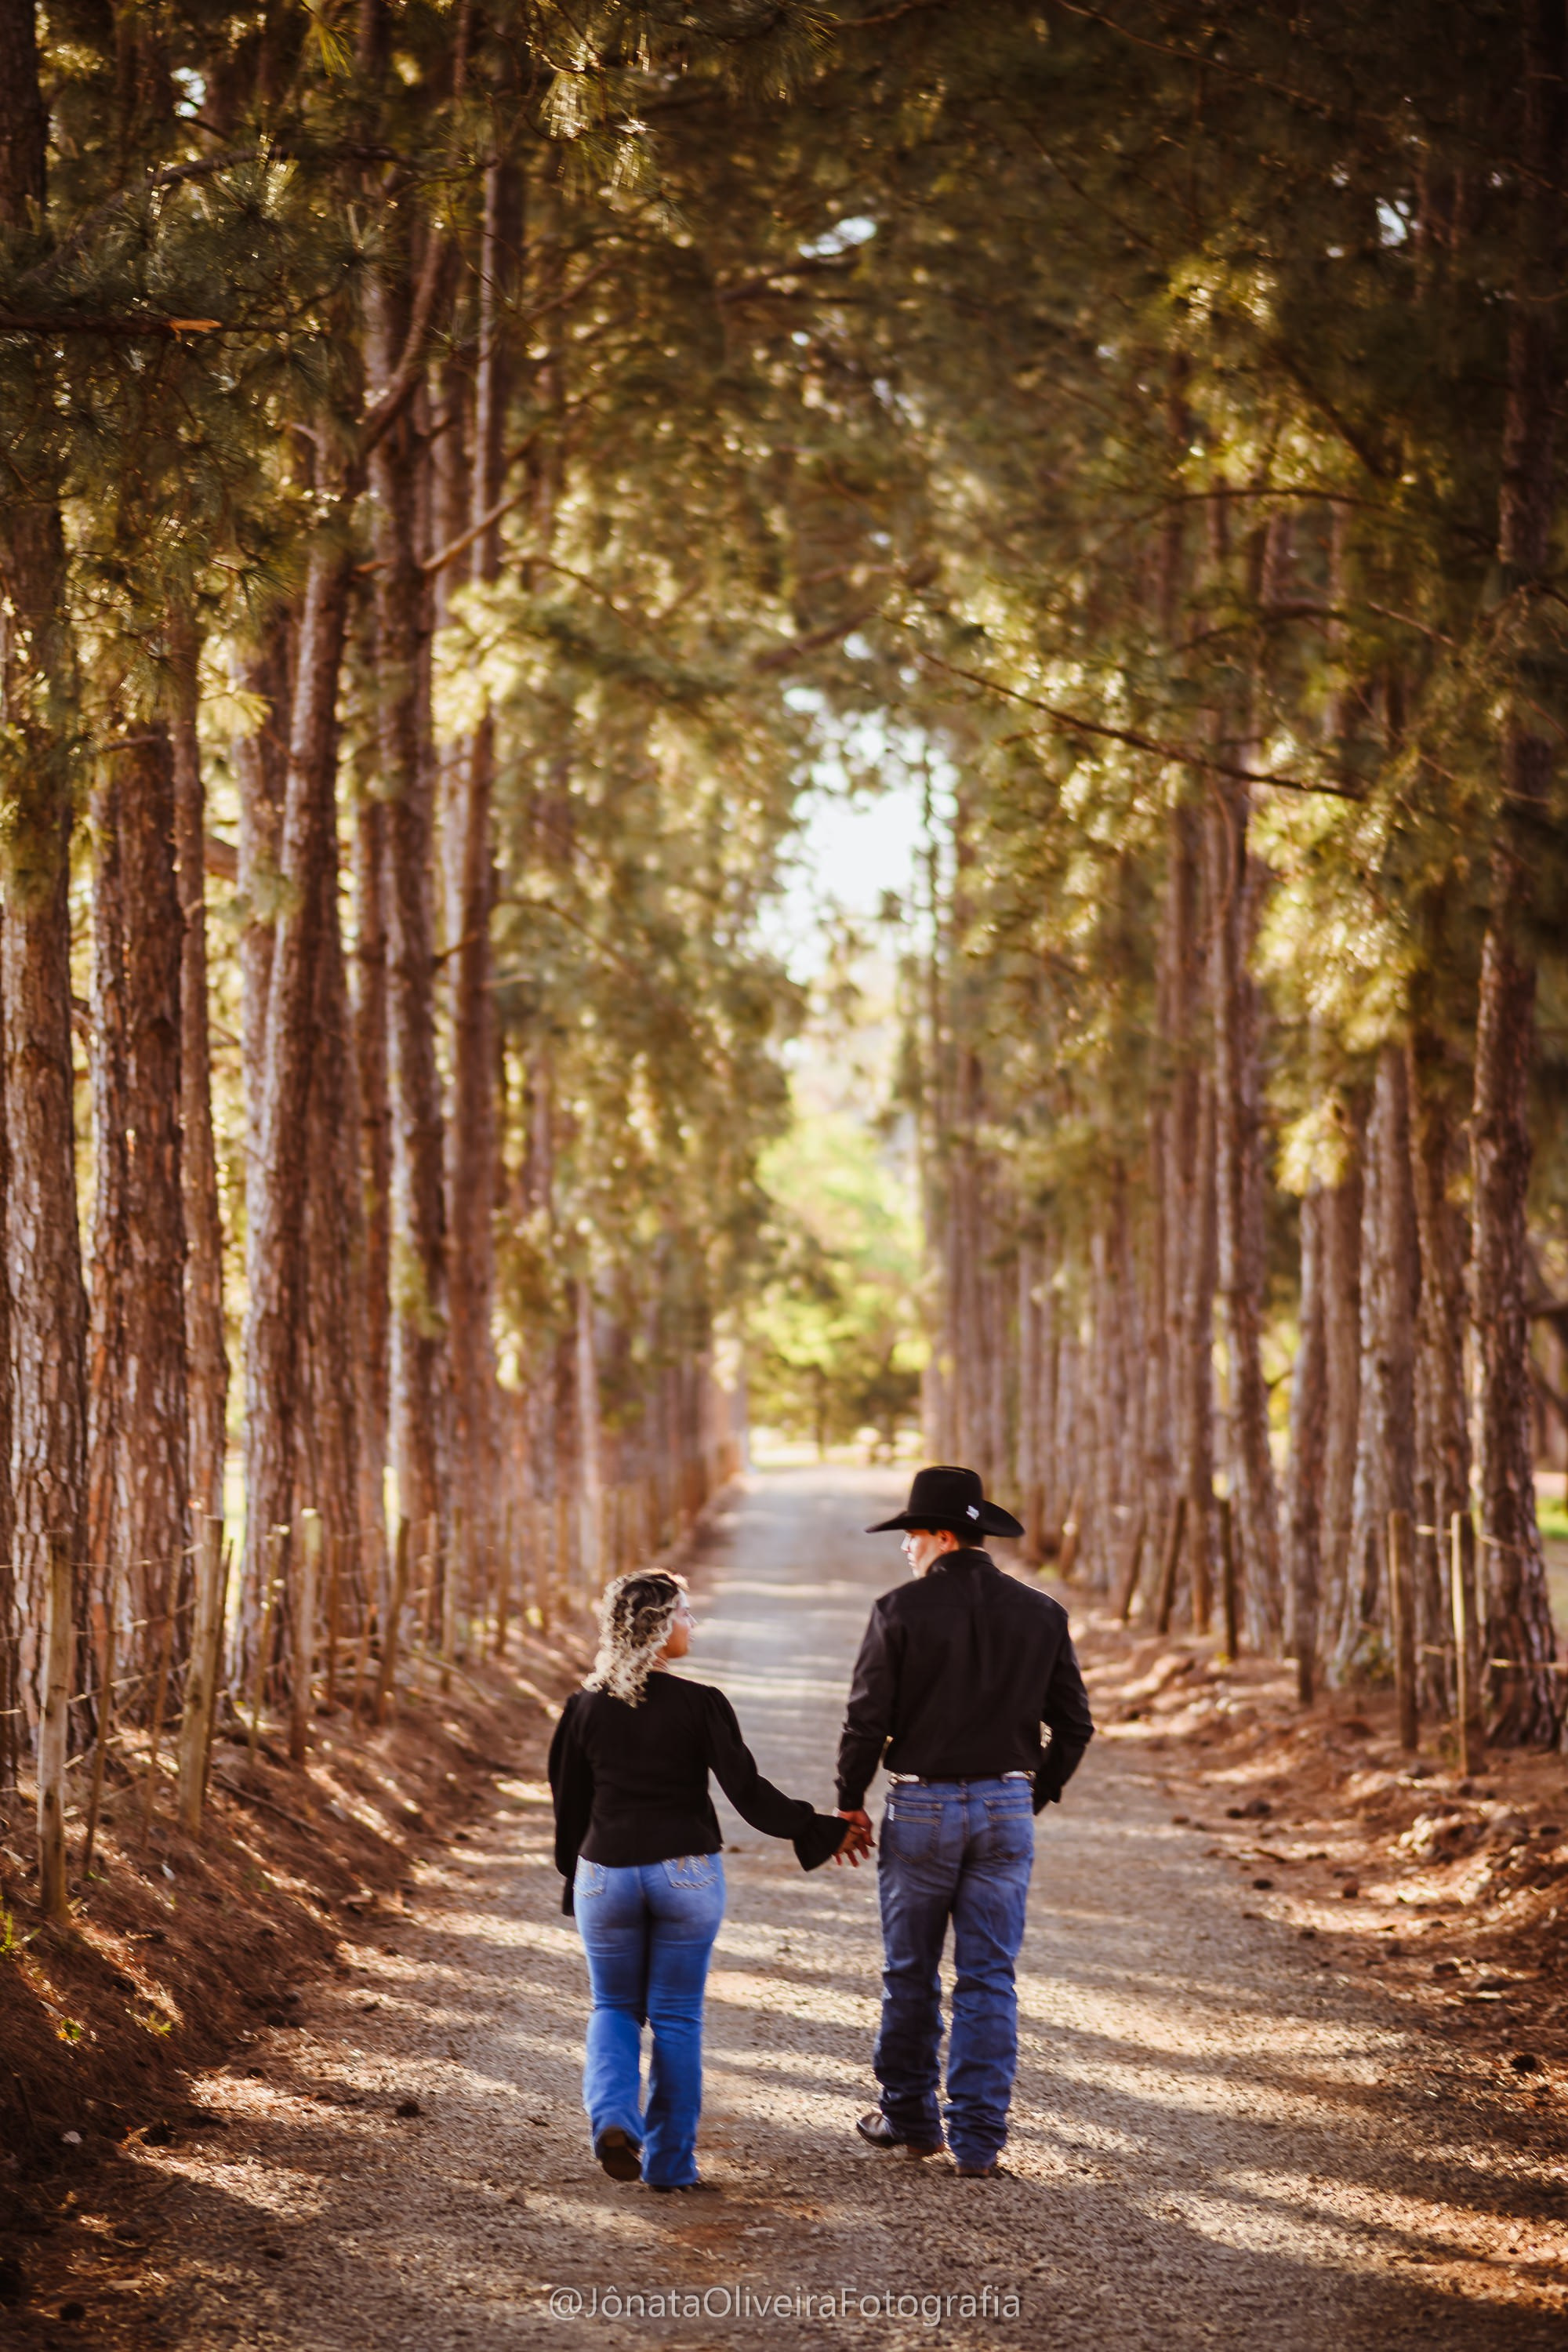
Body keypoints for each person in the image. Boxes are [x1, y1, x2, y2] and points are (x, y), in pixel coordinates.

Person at [549, 1568, 869, 2192]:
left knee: (614, 2005)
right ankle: (671, 2166)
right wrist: (824, 1829)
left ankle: (615, 2116)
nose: (694, 1624)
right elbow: (749, 1795)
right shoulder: (700, 1704)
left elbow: (569, 1808)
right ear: (661, 1627)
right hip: (686, 1876)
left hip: (605, 1875)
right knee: (676, 2018)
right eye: (686, 1614)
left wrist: (576, 1876)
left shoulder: (582, 1708)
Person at [837, 1463, 1094, 2177]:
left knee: (911, 1970)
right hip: (1005, 1806)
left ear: (941, 1536)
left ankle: (914, 2122)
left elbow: (866, 1722)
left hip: (920, 1807)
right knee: (989, 1977)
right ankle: (979, 2142)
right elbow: (1074, 1726)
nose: (906, 1551)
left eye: (911, 1538)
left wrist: (849, 1801)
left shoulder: (899, 1611)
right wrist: (1029, 1795)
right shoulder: (1041, 1612)